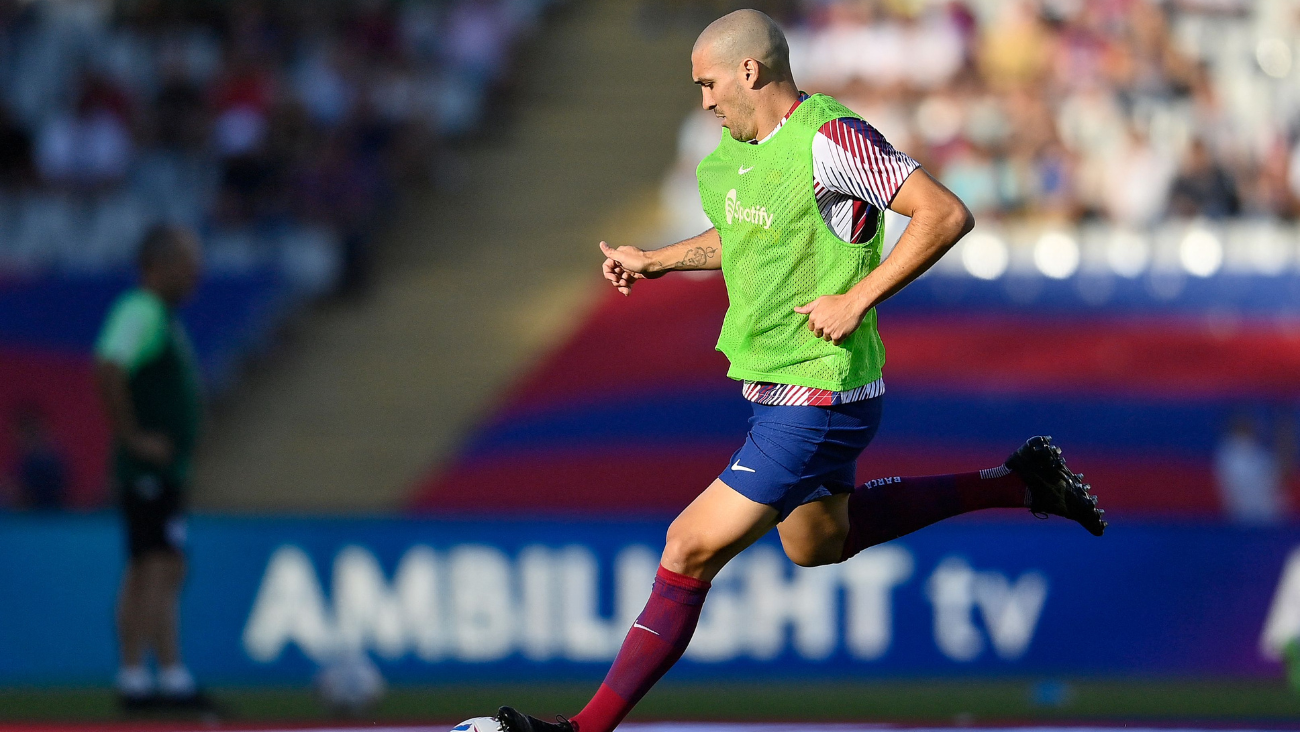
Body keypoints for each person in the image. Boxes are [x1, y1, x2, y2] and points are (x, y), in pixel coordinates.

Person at [496, 11, 1106, 732]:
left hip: (820, 391)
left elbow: (943, 214)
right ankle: (1018, 482)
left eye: (708, 83)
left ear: (749, 72)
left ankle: (583, 730)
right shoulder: (730, 155)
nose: (704, 101)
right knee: (816, 543)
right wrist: (656, 259)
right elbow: (742, 236)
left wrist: (857, 297)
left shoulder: (829, 139)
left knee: (687, 547)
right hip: (774, 389)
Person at [94, 225, 206, 709]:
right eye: (186, 262)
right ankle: (155, 677)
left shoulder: (160, 314)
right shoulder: (141, 309)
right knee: (157, 565)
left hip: (162, 471)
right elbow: (108, 366)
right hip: (147, 469)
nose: (194, 272)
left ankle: (147, 676)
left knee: (156, 566)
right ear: (158, 267)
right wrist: (134, 436)